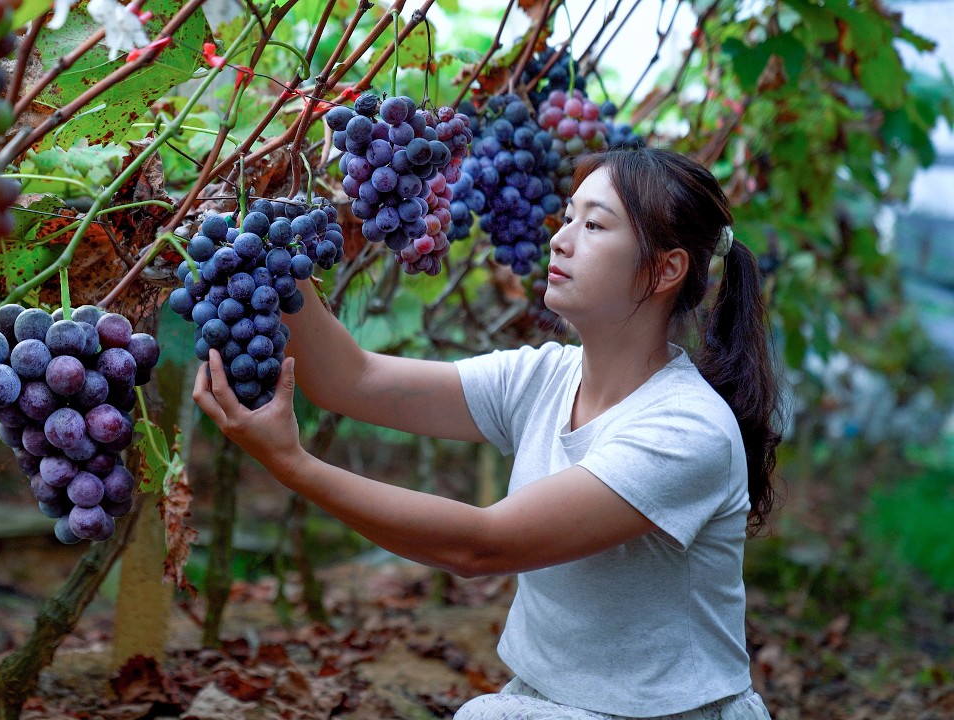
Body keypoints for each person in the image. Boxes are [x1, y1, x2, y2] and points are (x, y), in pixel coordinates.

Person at [193, 147, 781, 720]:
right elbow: (355, 380)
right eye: (568, 216)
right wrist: (267, 245)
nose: (560, 238)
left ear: (664, 269)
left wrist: (294, 466)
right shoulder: (544, 377)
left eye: (595, 225)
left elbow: (481, 546)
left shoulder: (686, 430)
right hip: (547, 699)